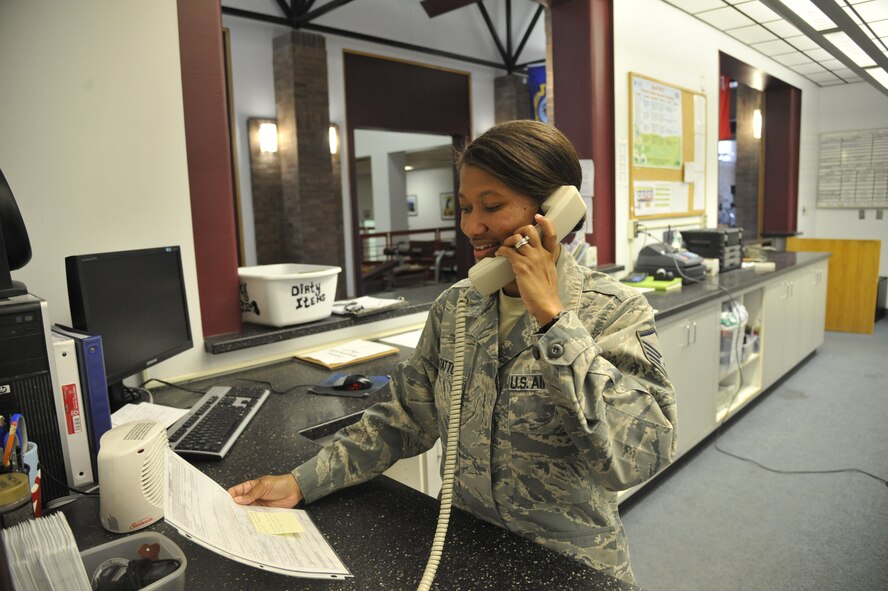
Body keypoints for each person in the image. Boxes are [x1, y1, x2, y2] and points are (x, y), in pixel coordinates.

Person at [229, 120, 677, 585]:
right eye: (464, 206)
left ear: (554, 210)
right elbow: (402, 419)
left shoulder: (614, 311)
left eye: (492, 206)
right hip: (469, 552)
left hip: (572, 567)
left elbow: (639, 457)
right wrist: (304, 481)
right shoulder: (457, 308)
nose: (470, 226)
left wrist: (554, 321)